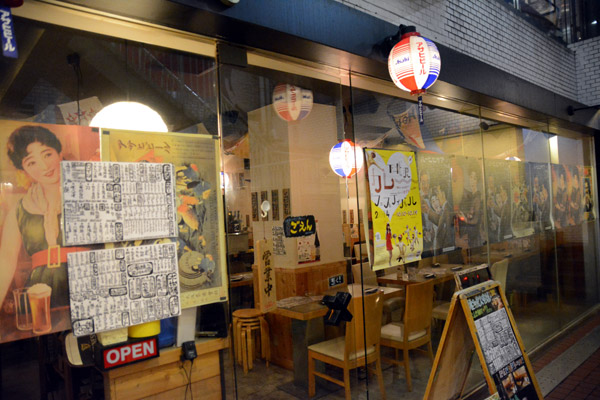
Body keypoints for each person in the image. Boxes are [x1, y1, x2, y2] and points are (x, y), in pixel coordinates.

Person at [0, 126, 84, 310]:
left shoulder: (87, 195)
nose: (44, 167)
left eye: (47, 154)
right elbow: (5, 262)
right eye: (32, 163)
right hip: (38, 296)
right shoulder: (19, 210)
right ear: (24, 170)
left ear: (59, 153)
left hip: (85, 283)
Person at [457, 169, 483, 248]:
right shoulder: (471, 195)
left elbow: (475, 220)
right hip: (470, 235)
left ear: (477, 181)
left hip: (475, 237)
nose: (472, 180)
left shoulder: (477, 198)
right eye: (471, 177)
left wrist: (465, 219)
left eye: (474, 178)